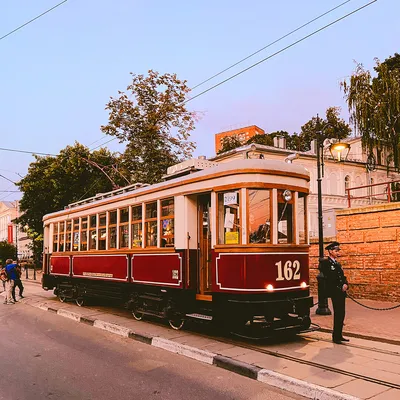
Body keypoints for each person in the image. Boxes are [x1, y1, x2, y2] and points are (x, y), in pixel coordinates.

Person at [319, 241, 349, 344]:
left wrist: (345, 284)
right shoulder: (326, 263)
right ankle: (336, 337)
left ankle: (339, 335)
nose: (337, 252)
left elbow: (342, 276)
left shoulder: (337, 264)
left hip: (341, 292)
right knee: (338, 313)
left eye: (338, 251)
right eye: (336, 251)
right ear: (330, 251)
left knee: (341, 313)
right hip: (335, 292)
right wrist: (340, 286)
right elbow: (330, 279)